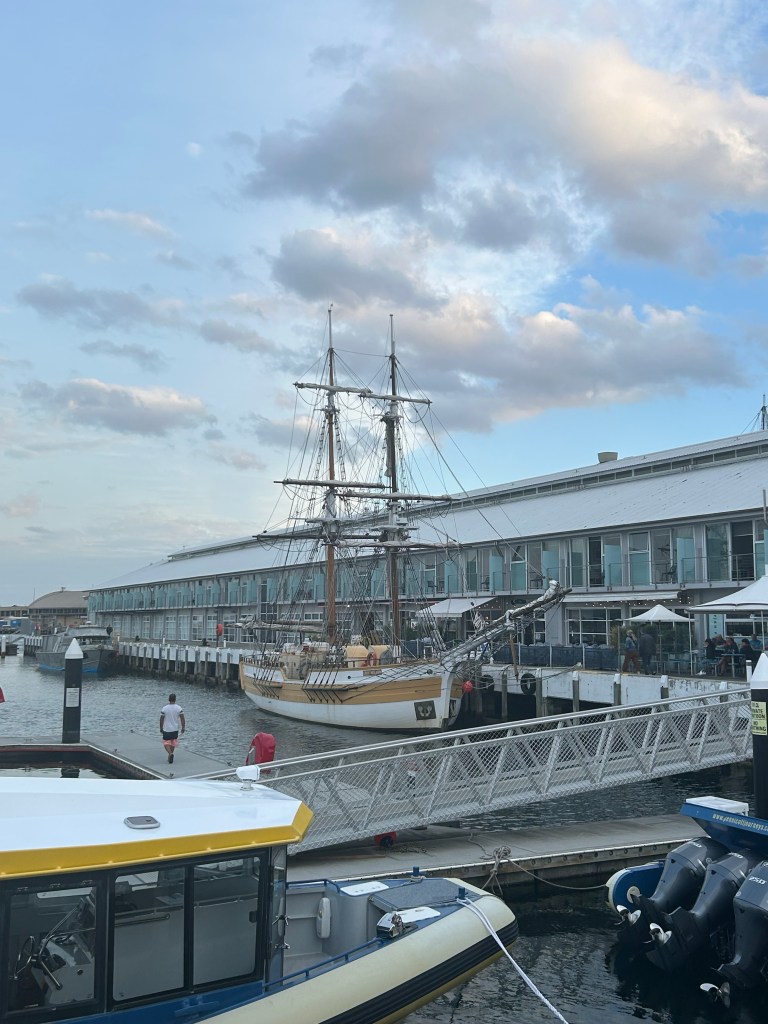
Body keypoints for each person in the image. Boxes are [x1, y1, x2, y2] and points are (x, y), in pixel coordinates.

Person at [160, 693, 185, 764]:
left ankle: (170, 753)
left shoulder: (164, 708)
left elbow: (161, 719)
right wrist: (183, 727)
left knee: (166, 742)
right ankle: (170, 755)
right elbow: (182, 718)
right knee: (173, 742)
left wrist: (161, 727)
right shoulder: (179, 708)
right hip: (175, 729)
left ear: (169, 699)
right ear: (175, 699)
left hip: (167, 728)